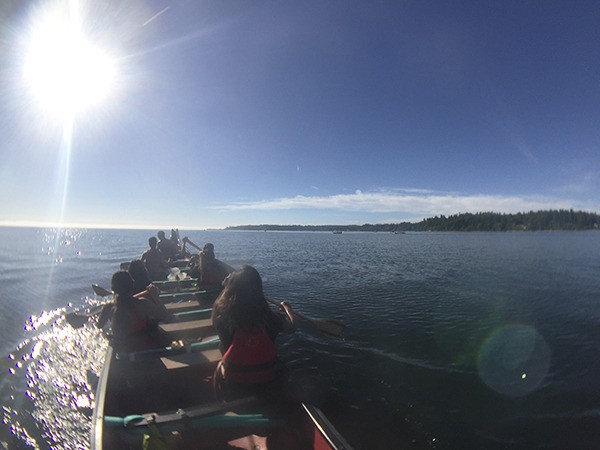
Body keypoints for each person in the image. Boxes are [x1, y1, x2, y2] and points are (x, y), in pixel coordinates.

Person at [211, 265, 295, 400]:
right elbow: (291, 328)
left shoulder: (221, 316)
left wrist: (226, 287)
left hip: (235, 381)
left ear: (230, 288)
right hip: (268, 378)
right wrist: (288, 310)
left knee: (221, 346)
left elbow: (218, 306)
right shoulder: (270, 317)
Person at [97, 271, 173, 352]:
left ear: (113, 289)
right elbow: (167, 317)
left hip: (123, 352)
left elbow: (99, 326)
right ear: (132, 285)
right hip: (143, 350)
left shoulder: (108, 307)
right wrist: (156, 296)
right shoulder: (142, 304)